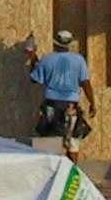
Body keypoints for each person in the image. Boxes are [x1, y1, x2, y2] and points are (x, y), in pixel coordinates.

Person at [25, 29, 96, 162]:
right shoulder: (79, 60)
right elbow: (85, 82)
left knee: (49, 144)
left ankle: (51, 173)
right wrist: (92, 103)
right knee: (73, 144)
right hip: (72, 107)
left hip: (52, 106)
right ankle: (72, 173)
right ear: (69, 44)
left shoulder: (47, 59)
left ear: (55, 43)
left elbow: (35, 78)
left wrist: (33, 59)